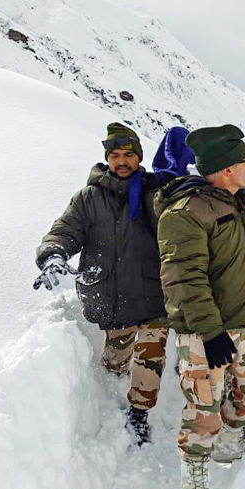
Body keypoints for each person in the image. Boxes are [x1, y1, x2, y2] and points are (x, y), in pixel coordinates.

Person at [155, 124, 245, 489]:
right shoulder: (185, 213)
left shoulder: (241, 203)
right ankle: (194, 479)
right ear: (226, 169)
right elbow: (184, 278)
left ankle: (230, 435)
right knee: (204, 406)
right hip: (207, 330)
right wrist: (210, 332)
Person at [34, 122, 169, 446]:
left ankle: (139, 413)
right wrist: (53, 254)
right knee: (116, 357)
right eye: (115, 155)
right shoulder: (88, 198)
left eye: (129, 155)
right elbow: (66, 230)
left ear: (139, 157)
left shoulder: (155, 193)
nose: (122, 161)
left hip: (152, 294)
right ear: (107, 158)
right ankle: (111, 387)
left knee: (151, 355)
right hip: (112, 295)